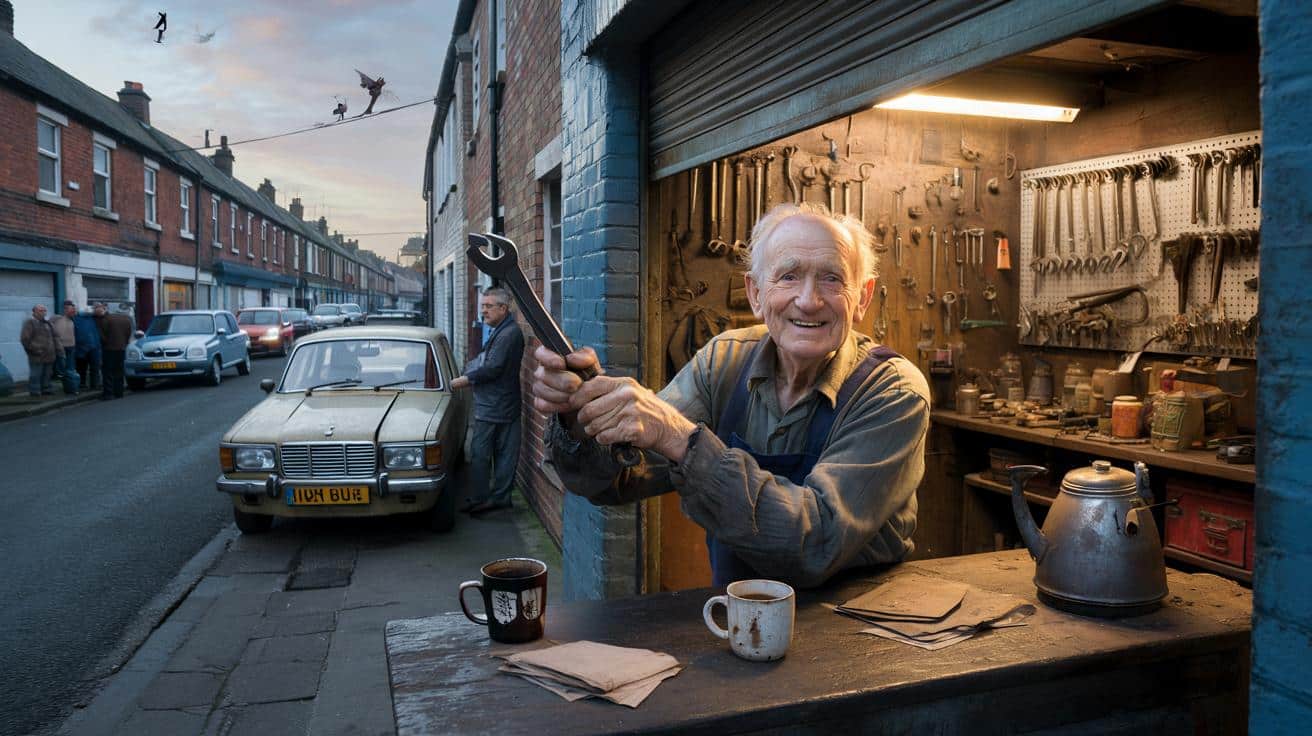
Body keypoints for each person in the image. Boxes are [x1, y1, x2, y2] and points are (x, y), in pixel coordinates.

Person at [531, 203, 931, 589]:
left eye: (833, 278)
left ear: (862, 298)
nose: (809, 300)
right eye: (788, 276)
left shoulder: (892, 392)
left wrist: (677, 436)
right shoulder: (726, 361)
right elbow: (618, 478)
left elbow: (815, 544)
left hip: (855, 635)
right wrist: (580, 418)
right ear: (755, 294)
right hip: (740, 624)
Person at [450, 287, 525, 516]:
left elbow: (493, 367)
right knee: (496, 454)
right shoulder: (500, 330)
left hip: (496, 406)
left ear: (503, 308)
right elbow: (486, 360)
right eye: (483, 306)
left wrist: (465, 379)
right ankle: (490, 498)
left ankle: (489, 499)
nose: (483, 311)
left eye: (488, 306)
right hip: (497, 403)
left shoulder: (509, 334)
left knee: (483, 454)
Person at [95, 302, 134, 400]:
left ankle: (108, 394)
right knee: (119, 371)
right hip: (121, 348)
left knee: (108, 371)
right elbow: (129, 333)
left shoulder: (105, 320)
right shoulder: (125, 319)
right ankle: (119, 392)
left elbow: (102, 335)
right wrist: (124, 343)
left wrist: (104, 344)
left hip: (109, 349)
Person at [20, 304, 58, 397]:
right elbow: (25, 339)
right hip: (37, 354)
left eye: (44, 310)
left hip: (49, 354)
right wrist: (36, 349)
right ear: (34, 312)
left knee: (47, 374)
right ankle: (35, 391)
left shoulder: (47, 323)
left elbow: (54, 337)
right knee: (36, 374)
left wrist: (58, 350)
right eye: (41, 310)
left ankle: (46, 389)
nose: (43, 312)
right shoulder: (30, 322)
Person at [49, 300, 80, 395]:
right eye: (71, 310)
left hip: (71, 347)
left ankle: (70, 388)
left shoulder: (73, 320)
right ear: (65, 309)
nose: (73, 312)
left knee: (70, 369)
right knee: (61, 369)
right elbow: (49, 327)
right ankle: (64, 386)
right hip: (60, 347)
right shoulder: (57, 318)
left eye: (74, 310)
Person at [74, 306, 102, 391]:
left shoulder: (92, 318)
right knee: (82, 367)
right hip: (82, 347)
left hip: (93, 347)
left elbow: (100, 312)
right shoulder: (76, 318)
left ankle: (94, 385)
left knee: (94, 367)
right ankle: (82, 384)